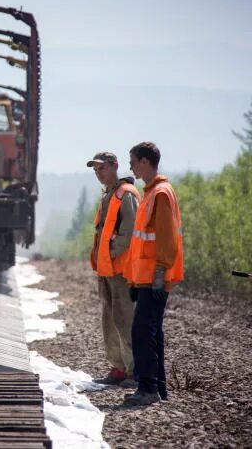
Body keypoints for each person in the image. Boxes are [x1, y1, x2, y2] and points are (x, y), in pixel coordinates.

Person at [123, 142, 184, 406]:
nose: (131, 166)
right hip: (147, 277)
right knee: (152, 331)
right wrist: (136, 280)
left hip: (156, 277)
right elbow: (143, 243)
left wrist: (159, 274)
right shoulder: (150, 192)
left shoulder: (159, 193)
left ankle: (148, 389)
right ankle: (157, 388)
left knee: (142, 331)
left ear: (145, 162)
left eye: (133, 161)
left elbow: (167, 241)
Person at [86, 151, 140, 387]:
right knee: (109, 320)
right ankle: (118, 368)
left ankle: (133, 371)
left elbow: (130, 232)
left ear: (115, 166)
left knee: (125, 320)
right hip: (106, 270)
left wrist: (111, 253)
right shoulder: (109, 195)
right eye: (96, 170)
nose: (99, 174)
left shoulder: (126, 194)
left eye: (102, 168)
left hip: (121, 271)